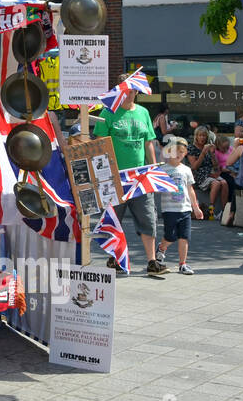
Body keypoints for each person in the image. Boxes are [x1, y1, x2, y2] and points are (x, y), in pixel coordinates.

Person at [92, 88, 166, 275]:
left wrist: (153, 167)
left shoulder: (143, 112)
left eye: (132, 92)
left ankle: (151, 261)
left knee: (148, 217)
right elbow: (99, 142)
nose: (129, 95)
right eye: (125, 92)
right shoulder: (108, 112)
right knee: (113, 218)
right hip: (115, 176)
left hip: (139, 176)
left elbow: (149, 141)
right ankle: (114, 258)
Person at [156, 137, 202, 274]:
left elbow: (190, 189)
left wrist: (196, 207)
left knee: (184, 236)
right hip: (169, 209)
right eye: (175, 151)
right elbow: (157, 187)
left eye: (181, 152)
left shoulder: (186, 169)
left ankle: (183, 263)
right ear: (168, 152)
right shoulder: (163, 169)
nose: (178, 154)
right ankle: (162, 248)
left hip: (185, 208)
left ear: (185, 153)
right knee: (170, 236)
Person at [187, 127, 223, 219]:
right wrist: (203, 153)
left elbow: (215, 165)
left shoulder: (208, 146)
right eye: (200, 135)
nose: (202, 138)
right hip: (199, 175)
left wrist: (212, 153)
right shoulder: (191, 148)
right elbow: (194, 167)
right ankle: (211, 211)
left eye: (204, 136)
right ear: (196, 136)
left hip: (210, 173)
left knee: (225, 183)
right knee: (216, 183)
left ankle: (223, 210)